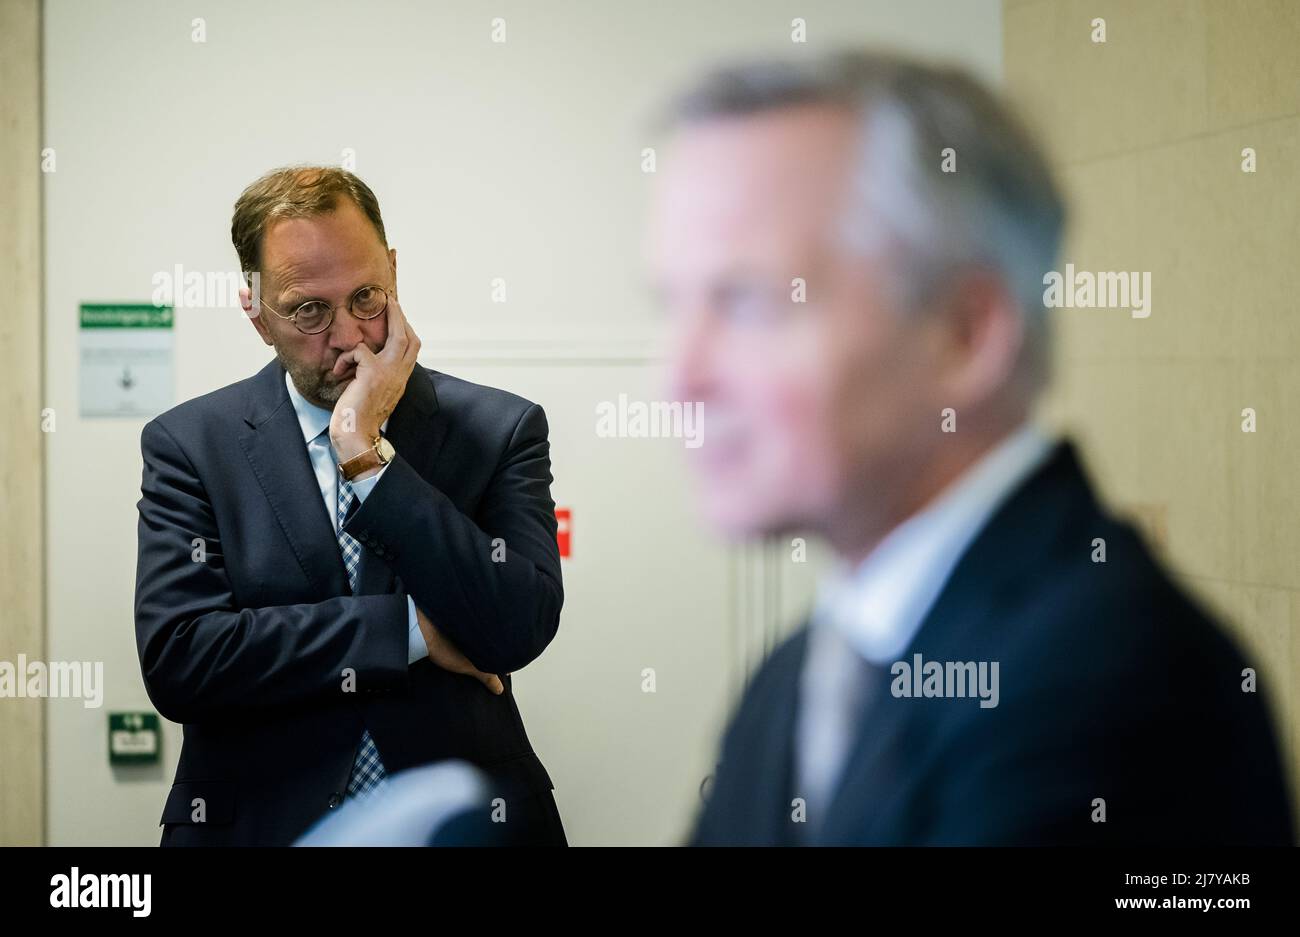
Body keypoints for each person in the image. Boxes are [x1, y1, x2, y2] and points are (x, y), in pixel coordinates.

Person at [646, 50, 1294, 845]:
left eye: (744, 302)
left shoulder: (1116, 684)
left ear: (964, 333)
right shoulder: (794, 680)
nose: (677, 380)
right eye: (672, 306)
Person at [134, 166, 566, 845]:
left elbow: (518, 624)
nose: (348, 337)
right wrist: (411, 631)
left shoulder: (500, 429)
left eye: (367, 296)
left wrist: (365, 453)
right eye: (308, 309)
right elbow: (182, 658)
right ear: (254, 310)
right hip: (258, 825)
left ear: (393, 269)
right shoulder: (190, 446)